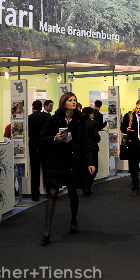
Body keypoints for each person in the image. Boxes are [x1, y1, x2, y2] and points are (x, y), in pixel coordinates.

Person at [39, 92, 95, 245]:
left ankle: (74, 220)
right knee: (52, 193)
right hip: (56, 160)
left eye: (75, 100)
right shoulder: (54, 119)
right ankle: (47, 230)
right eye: (70, 100)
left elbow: (86, 142)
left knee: (72, 192)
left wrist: (90, 162)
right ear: (64, 103)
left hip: (73, 161)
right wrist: (54, 138)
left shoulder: (81, 120)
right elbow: (42, 138)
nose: (73, 102)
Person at [28, 100, 50, 201]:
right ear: (42, 107)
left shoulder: (30, 117)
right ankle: (49, 192)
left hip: (33, 146)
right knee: (46, 170)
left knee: (35, 171)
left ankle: (35, 195)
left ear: (33, 107)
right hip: (45, 145)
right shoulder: (47, 117)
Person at [81, 107, 101, 196]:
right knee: (94, 168)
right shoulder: (94, 123)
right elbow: (95, 135)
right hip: (92, 147)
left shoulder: (80, 123)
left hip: (83, 148)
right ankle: (87, 186)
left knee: (86, 168)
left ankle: (85, 186)